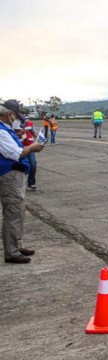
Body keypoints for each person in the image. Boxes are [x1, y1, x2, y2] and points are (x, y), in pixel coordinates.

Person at [0, 100, 45, 263]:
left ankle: (16, 246)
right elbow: (16, 153)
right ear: (8, 114)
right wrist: (32, 147)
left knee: (17, 212)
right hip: (8, 175)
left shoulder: (6, 129)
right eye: (14, 114)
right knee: (13, 212)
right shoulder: (1, 131)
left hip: (14, 174)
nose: (16, 118)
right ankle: (11, 252)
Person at [19, 116, 38, 190]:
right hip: (19, 147)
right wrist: (20, 132)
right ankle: (21, 183)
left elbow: (34, 134)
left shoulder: (30, 123)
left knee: (33, 165)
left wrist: (36, 136)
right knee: (20, 166)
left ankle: (31, 183)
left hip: (30, 147)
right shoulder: (13, 124)